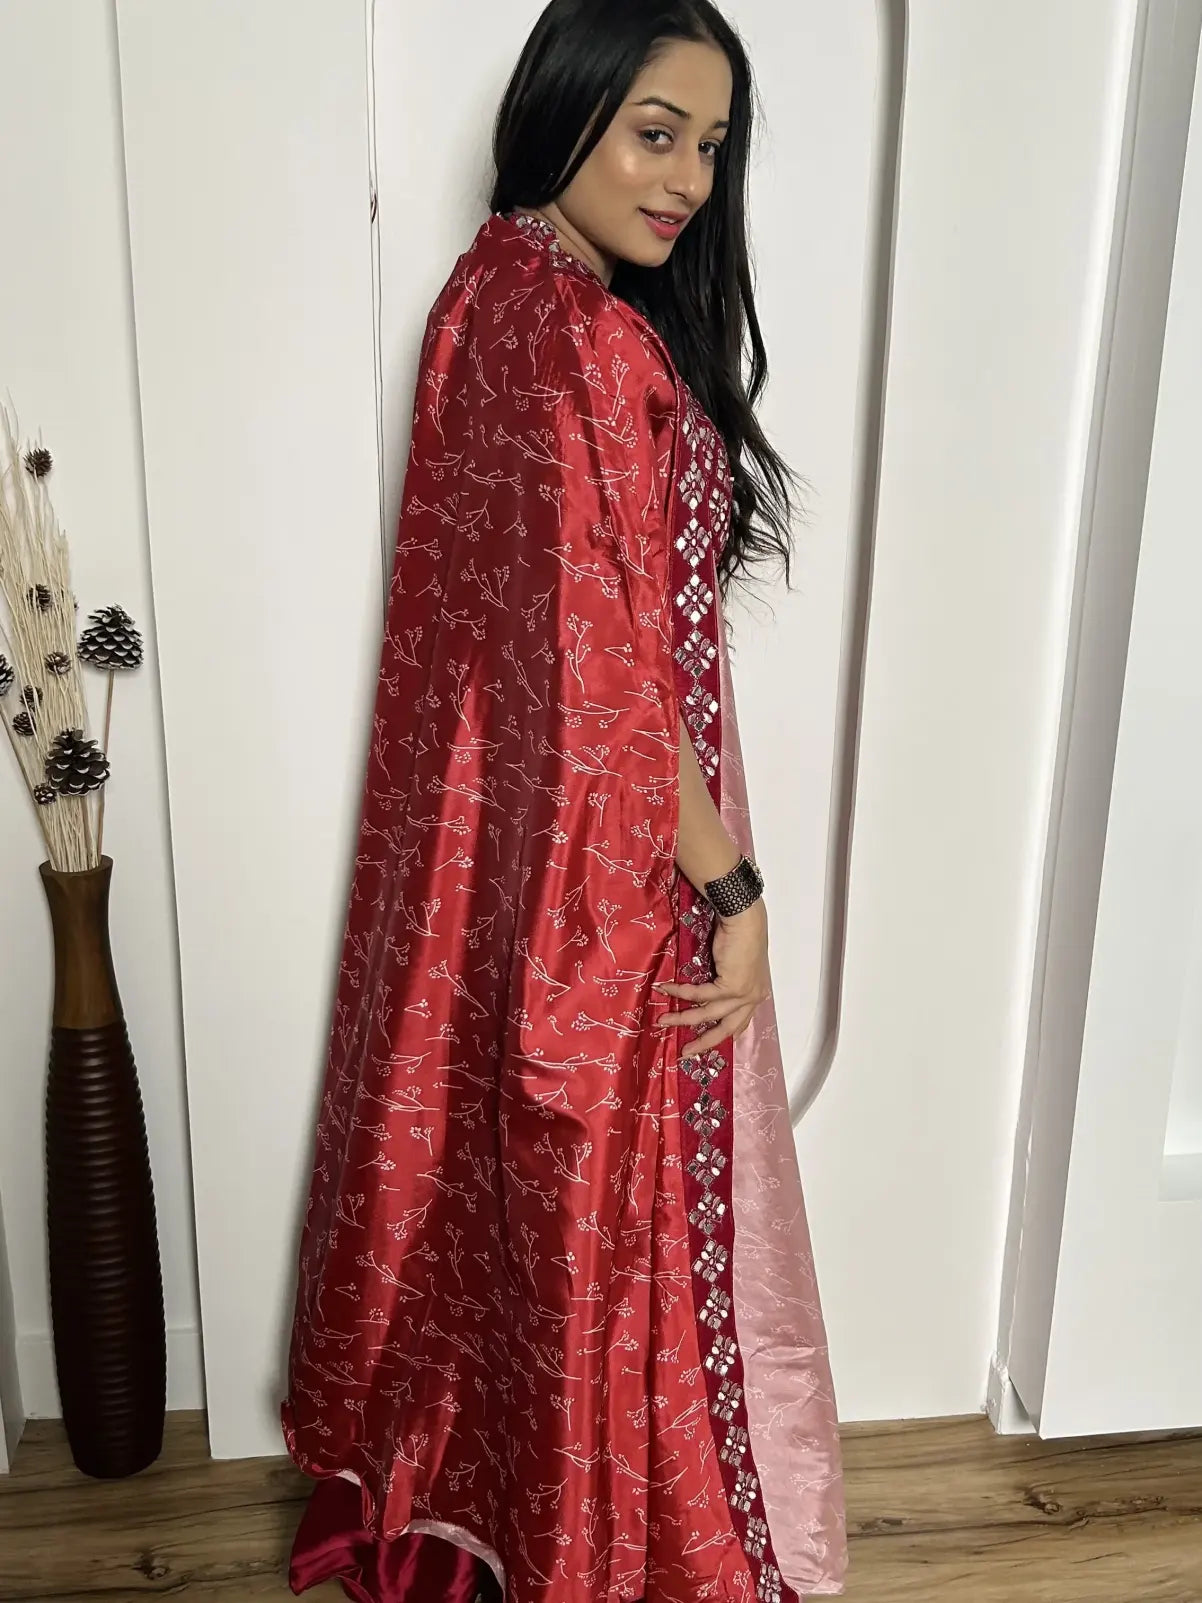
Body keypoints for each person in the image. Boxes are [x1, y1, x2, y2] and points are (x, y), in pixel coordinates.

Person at [282, 2, 847, 1599]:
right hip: (597, 878)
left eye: (712, 145)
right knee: (603, 1235)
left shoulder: (485, 292)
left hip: (492, 872)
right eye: (653, 132)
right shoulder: (583, 339)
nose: (685, 180)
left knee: (508, 1216)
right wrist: (730, 892)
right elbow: (607, 678)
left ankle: (486, 1529)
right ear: (569, 110)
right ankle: (606, 1548)